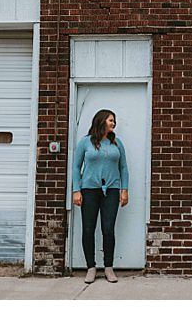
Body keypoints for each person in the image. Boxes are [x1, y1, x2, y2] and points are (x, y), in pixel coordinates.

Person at [72, 109, 129, 283]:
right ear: (102, 120)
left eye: (114, 121)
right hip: (89, 190)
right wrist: (76, 190)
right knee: (88, 229)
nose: (114, 123)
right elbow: (76, 167)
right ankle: (91, 267)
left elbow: (123, 168)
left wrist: (124, 189)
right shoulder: (85, 142)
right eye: (111, 120)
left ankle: (109, 268)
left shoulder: (117, 143)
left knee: (108, 229)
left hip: (111, 190)